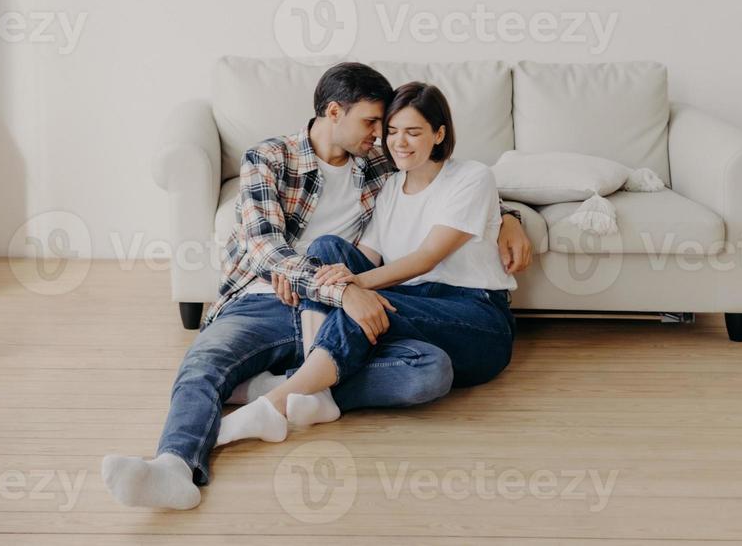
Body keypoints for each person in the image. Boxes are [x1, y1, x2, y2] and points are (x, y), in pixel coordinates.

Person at [101, 63, 532, 510]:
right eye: (372, 124)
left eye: (386, 127)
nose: (382, 136)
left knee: (428, 371)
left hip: (344, 306)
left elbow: (450, 184)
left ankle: (281, 389)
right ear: (332, 112)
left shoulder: (381, 162)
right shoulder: (268, 159)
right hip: (273, 299)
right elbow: (266, 249)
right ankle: (173, 467)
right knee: (203, 364)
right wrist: (341, 291)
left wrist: (507, 219)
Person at [213, 81, 516, 446]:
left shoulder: (472, 177)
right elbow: (367, 257)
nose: (398, 142)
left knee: (350, 291)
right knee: (327, 250)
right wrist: (339, 283)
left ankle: (274, 402)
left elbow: (426, 258)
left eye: (413, 132)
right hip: (408, 303)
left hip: (473, 314)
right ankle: (316, 391)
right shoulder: (390, 187)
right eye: (391, 131)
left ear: (439, 134)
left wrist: (348, 287)